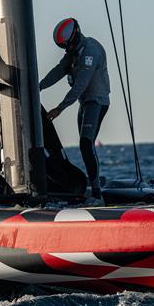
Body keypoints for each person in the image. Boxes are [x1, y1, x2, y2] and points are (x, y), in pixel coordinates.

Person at [39, 17, 110, 203]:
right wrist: (37, 86)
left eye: (67, 46)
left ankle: (97, 194)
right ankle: (94, 188)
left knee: (87, 144)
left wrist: (59, 109)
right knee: (84, 146)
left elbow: (80, 86)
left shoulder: (90, 52)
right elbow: (59, 70)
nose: (66, 50)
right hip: (84, 102)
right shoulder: (72, 51)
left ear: (75, 36)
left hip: (96, 101)